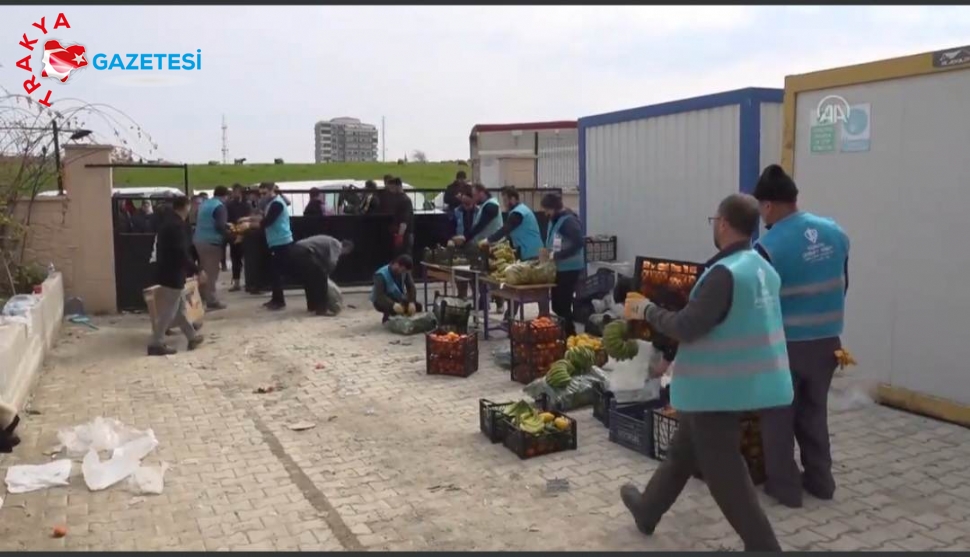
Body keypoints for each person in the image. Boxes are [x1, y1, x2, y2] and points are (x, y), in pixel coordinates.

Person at [620, 193, 793, 552]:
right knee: (683, 452)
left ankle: (763, 545)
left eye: (714, 220)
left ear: (725, 224)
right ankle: (648, 510)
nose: (714, 226)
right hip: (742, 382)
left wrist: (647, 309)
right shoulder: (761, 267)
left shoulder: (725, 274)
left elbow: (687, 326)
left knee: (725, 473)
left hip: (714, 388)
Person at [752, 164, 850, 509]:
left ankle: (785, 488)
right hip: (827, 342)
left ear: (767, 206)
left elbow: (760, 304)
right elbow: (844, 283)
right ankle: (821, 481)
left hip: (786, 346)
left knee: (778, 416)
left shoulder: (768, 246)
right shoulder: (835, 232)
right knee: (814, 412)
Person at [149, 195, 206, 356]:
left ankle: (192, 337)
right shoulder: (177, 226)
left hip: (167, 270)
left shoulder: (167, 223)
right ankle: (156, 342)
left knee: (179, 309)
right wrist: (196, 269)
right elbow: (181, 252)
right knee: (169, 311)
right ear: (186, 206)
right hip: (173, 273)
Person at [540, 193, 585, 336]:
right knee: (557, 305)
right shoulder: (555, 220)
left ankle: (570, 335)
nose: (546, 213)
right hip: (559, 268)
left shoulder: (568, 221)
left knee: (562, 304)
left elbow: (579, 243)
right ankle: (565, 332)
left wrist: (558, 255)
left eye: (547, 210)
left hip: (569, 269)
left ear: (554, 208)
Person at [290, 235, 354, 315]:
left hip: (295, 249)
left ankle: (312, 305)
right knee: (321, 279)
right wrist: (327, 275)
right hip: (305, 251)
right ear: (347, 248)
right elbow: (332, 262)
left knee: (309, 279)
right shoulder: (337, 245)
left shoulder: (329, 242)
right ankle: (321, 308)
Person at [192, 185, 230, 310]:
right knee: (211, 272)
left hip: (199, 240)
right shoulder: (219, 207)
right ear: (225, 196)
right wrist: (230, 234)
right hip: (212, 242)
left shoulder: (205, 204)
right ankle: (211, 301)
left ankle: (201, 298)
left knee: (203, 270)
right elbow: (219, 226)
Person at [259, 181, 295, 311]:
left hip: (281, 241)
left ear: (271, 190)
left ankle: (279, 301)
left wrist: (251, 225)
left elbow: (268, 221)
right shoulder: (272, 203)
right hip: (276, 240)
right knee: (274, 272)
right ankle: (275, 298)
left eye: (264, 193)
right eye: (261, 194)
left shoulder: (277, 204)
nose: (262, 196)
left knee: (277, 272)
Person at [483, 186, 543, 261]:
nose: (504, 204)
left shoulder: (518, 213)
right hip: (532, 251)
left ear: (513, 199)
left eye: (505, 200)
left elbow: (505, 229)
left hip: (530, 252)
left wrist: (489, 240)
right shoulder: (521, 210)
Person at [371, 254, 421, 322]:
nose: (404, 273)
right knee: (394, 309)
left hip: (398, 298)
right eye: (403, 270)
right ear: (397, 265)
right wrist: (393, 305)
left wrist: (411, 301)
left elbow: (411, 287)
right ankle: (388, 317)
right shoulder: (381, 275)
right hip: (383, 300)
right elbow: (379, 296)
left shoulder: (404, 272)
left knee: (418, 307)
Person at [225, 184, 252, 292]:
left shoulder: (247, 205)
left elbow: (250, 218)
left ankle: (249, 281)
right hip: (234, 232)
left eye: (237, 191)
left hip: (246, 233)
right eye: (234, 191)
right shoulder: (229, 205)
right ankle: (236, 283)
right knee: (235, 259)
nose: (235, 193)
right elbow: (227, 219)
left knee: (247, 260)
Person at [386, 177, 414, 256]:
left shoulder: (405, 201)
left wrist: (400, 236)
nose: (390, 190)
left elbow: (404, 221)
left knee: (403, 258)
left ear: (397, 186)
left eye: (391, 187)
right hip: (402, 234)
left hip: (404, 235)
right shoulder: (401, 199)